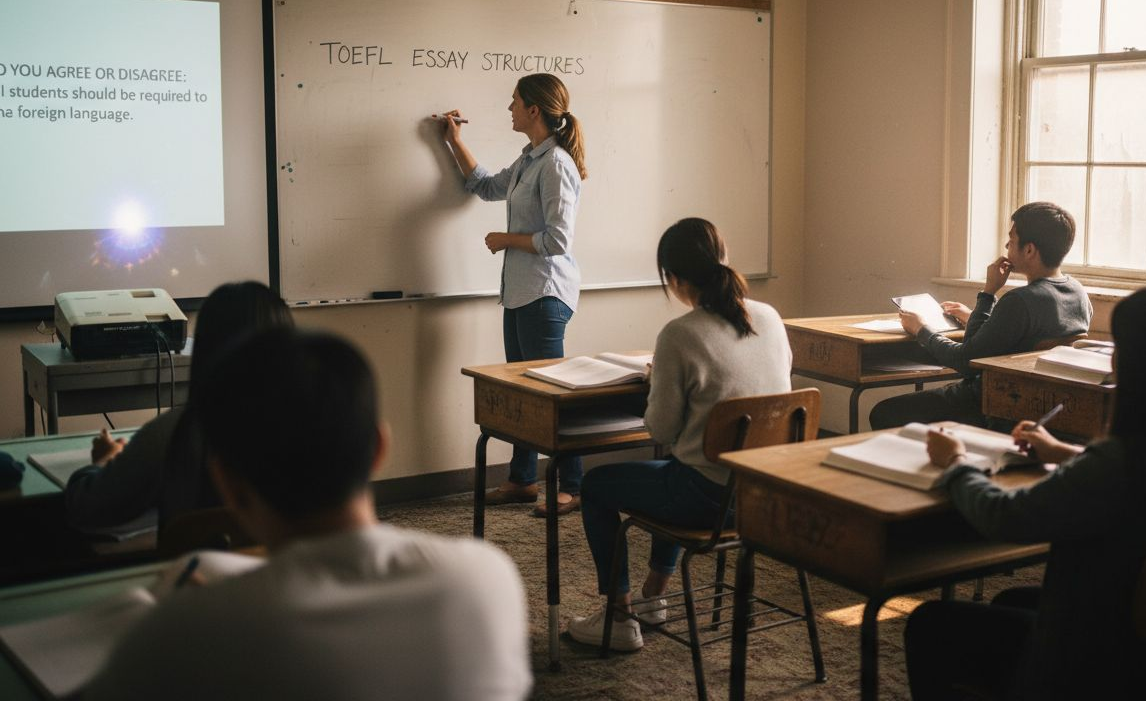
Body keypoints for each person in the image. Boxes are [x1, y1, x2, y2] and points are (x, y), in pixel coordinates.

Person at [83, 329, 532, 701]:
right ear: (379, 449)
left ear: (226, 482)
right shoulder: (486, 579)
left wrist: (179, 608)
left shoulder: (181, 636)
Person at [904, 283, 1146, 700]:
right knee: (1014, 599)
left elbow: (1004, 517)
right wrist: (1064, 452)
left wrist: (956, 463)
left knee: (930, 623)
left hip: (1110, 669)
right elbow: (1136, 481)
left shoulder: (1122, 462)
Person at [565, 217, 793, 651]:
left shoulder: (679, 335)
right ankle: (653, 597)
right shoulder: (770, 317)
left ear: (672, 278)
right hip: (764, 495)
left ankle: (619, 617)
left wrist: (658, 384)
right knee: (675, 467)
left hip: (708, 500)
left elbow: (662, 429)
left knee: (596, 486)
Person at [440, 72, 587, 517]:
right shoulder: (529, 159)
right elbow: (485, 185)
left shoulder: (557, 165)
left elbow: (558, 240)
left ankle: (572, 486)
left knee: (553, 396)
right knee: (525, 394)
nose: (509, 108)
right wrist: (453, 140)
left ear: (534, 110)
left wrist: (507, 240)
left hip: (545, 294)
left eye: (514, 102)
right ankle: (523, 481)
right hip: (521, 293)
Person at [65, 281, 292, 532]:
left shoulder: (173, 434)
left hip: (198, 571)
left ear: (206, 347)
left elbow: (86, 507)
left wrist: (103, 461)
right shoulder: (313, 427)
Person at [869, 201, 1092, 430]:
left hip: (988, 401)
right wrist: (977, 315)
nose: (1006, 245)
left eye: (1012, 240)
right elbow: (1010, 337)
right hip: (1035, 405)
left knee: (884, 412)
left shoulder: (1019, 300)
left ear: (1029, 250)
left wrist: (922, 329)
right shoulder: (1078, 292)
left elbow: (966, 361)